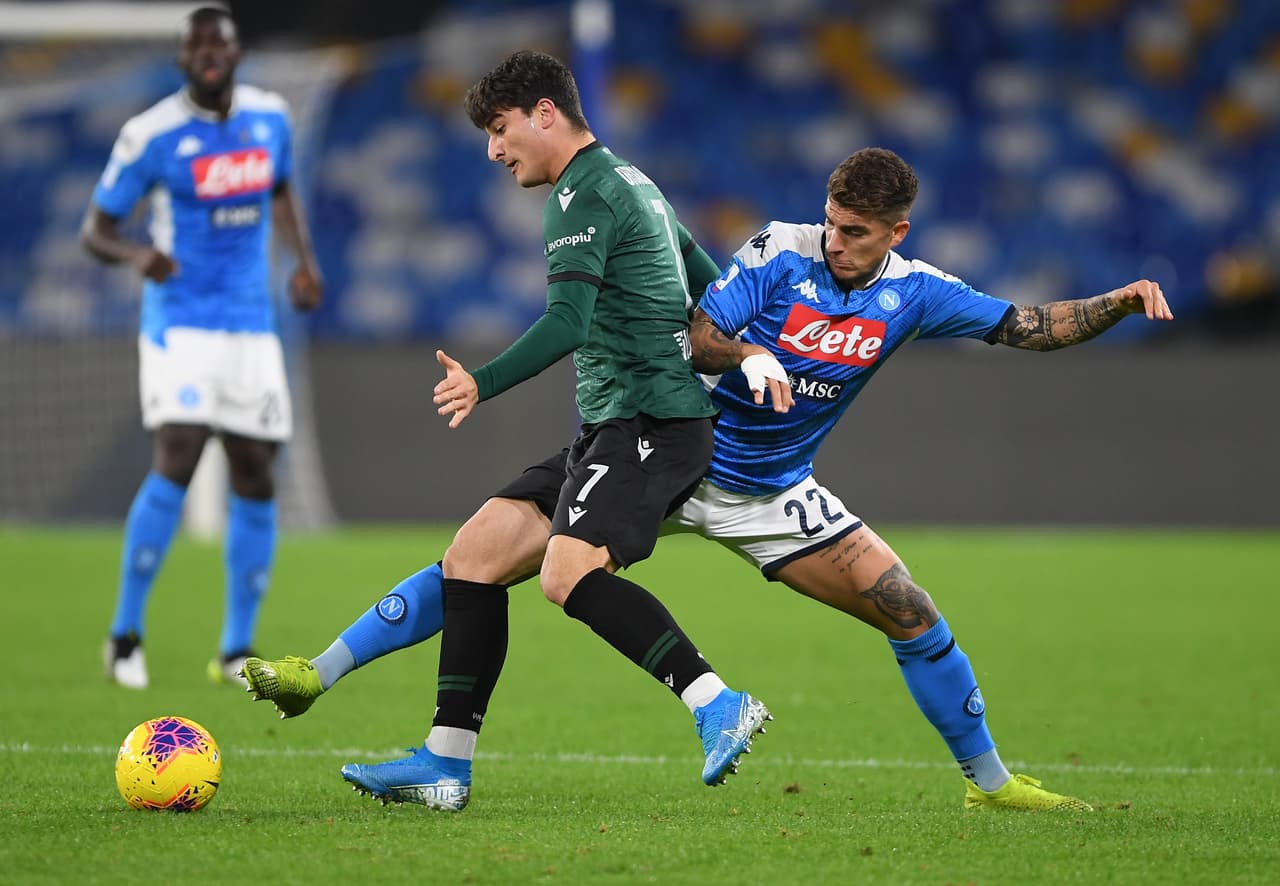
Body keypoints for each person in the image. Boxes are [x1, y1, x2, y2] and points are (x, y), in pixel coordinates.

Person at [243, 142, 1170, 813]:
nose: (835, 242)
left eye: (855, 233)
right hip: (668, 450)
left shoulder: (916, 291)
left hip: (774, 490)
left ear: (896, 231)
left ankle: (993, 787)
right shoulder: (781, 252)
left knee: (910, 609)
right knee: (481, 553)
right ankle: (318, 674)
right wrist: (748, 359)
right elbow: (698, 330)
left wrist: (1121, 302)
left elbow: (1028, 325)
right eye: (832, 223)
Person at [83, 6, 323, 690]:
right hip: (180, 320)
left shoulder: (271, 118)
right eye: (197, 46)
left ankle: (234, 649)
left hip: (251, 323)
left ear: (237, 52)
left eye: (219, 44)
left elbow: (280, 190)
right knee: (181, 449)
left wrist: (303, 262)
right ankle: (125, 635)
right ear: (183, 57)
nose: (209, 55)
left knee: (254, 468)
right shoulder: (150, 134)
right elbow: (94, 228)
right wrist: (135, 255)